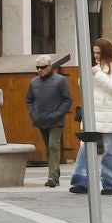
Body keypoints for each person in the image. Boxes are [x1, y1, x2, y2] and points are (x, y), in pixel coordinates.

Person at [69, 38, 112, 195]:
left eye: (98, 53)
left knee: (110, 148)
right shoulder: (97, 67)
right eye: (94, 52)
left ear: (106, 52)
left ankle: (111, 184)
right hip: (93, 111)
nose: (95, 55)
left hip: (110, 113)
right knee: (85, 147)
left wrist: (97, 74)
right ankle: (81, 180)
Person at [25, 54, 73, 188]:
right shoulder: (33, 82)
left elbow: (67, 99)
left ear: (50, 67)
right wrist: (33, 114)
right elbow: (29, 100)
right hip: (41, 119)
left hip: (56, 120)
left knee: (53, 146)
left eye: (43, 67)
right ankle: (55, 174)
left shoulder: (60, 80)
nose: (40, 70)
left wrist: (58, 114)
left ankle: (52, 176)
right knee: (49, 148)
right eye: (38, 67)